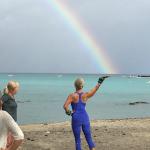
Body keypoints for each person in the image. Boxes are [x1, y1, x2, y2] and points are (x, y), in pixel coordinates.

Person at [63, 76, 108, 150]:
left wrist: (70, 113)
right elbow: (95, 89)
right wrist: (100, 81)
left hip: (76, 117)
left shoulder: (72, 95)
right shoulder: (86, 95)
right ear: (82, 85)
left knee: (77, 140)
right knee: (89, 139)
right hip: (85, 117)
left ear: (75, 85)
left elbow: (65, 106)